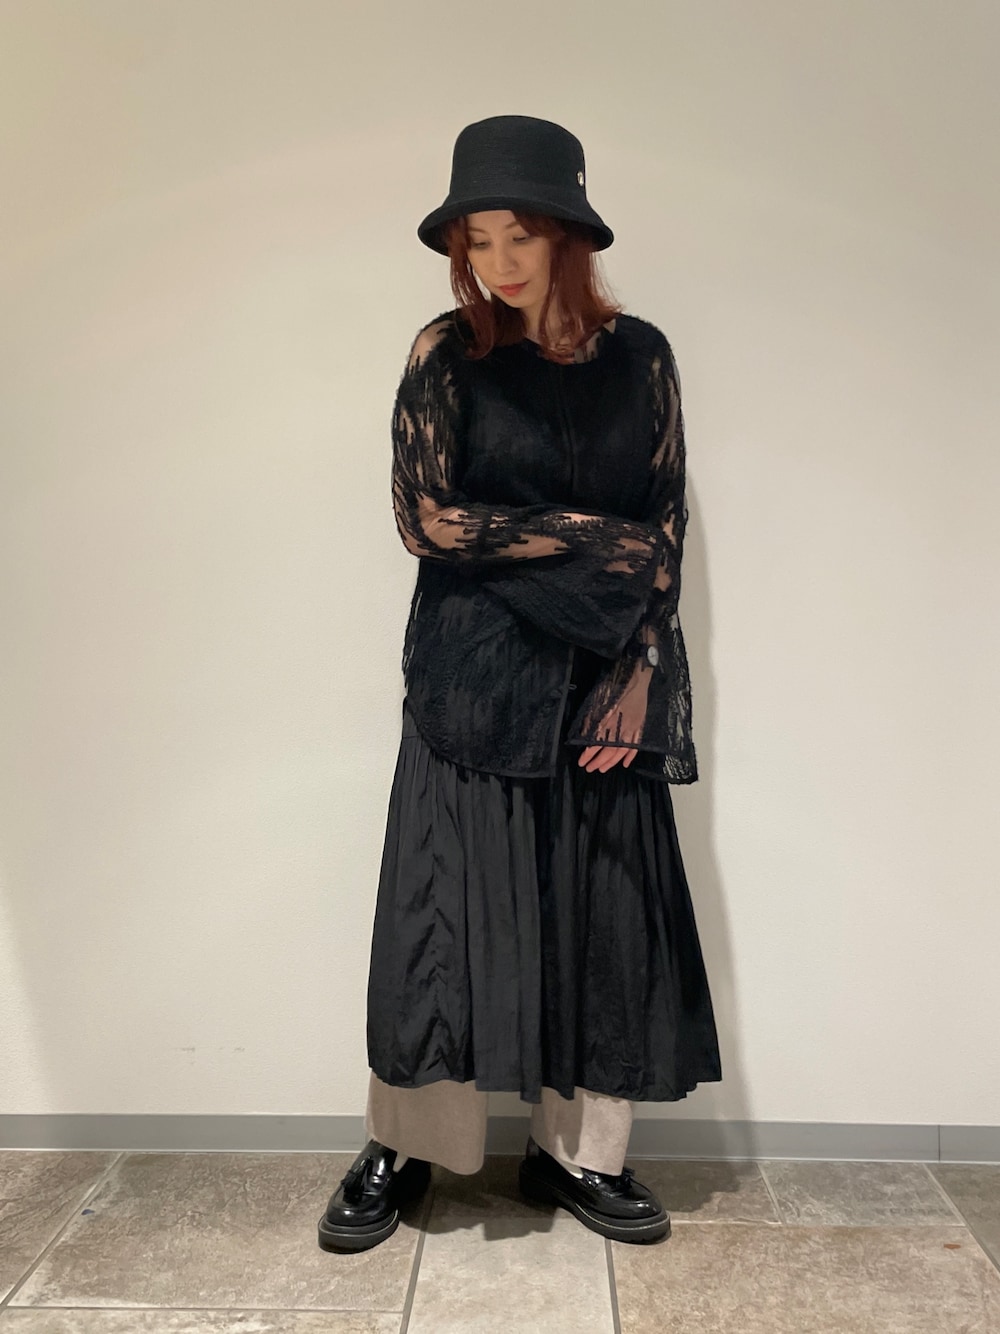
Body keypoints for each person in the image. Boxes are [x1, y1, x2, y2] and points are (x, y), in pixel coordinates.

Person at [319, 114, 722, 1253]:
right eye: (477, 238)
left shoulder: (642, 358)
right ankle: (405, 1146)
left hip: (600, 682)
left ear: (567, 238)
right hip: (469, 679)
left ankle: (579, 1154)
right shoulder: (444, 354)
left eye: (520, 234)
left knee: (600, 920)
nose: (496, 260)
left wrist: (640, 673)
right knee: (438, 924)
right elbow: (425, 520)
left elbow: (665, 528)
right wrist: (594, 538)